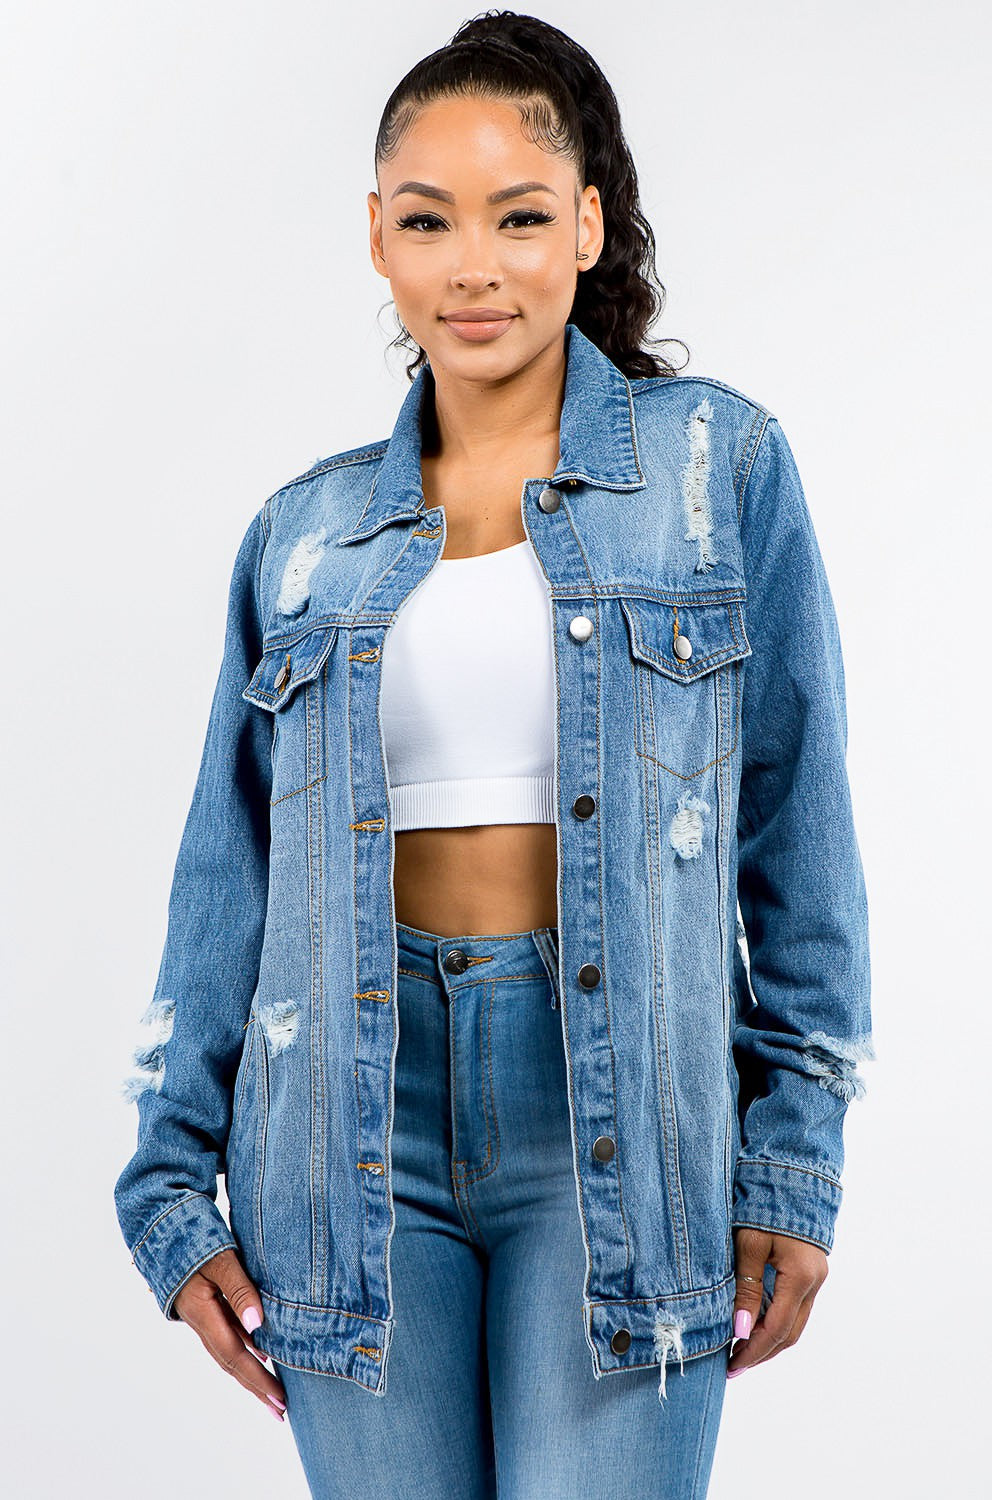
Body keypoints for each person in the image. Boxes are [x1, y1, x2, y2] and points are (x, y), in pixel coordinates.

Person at [113, 11, 874, 1498]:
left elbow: (801, 831)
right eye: (429, 220)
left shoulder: (719, 473)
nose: (476, 265)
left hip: (620, 1124)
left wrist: (797, 1156)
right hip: (341, 1128)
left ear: (587, 224)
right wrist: (167, 1186)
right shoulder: (305, 536)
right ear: (379, 245)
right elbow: (227, 873)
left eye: (521, 216)